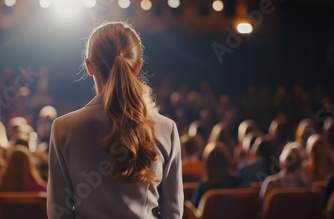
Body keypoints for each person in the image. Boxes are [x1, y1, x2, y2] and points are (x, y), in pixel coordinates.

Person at [47, 22, 183, 219]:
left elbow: (57, 213)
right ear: (137, 67)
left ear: (89, 67)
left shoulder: (63, 128)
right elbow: (173, 213)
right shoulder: (166, 128)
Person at [189, 142, 245, 207]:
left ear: (207, 164)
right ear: (227, 161)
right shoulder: (238, 183)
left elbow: (192, 210)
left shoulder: (203, 187)